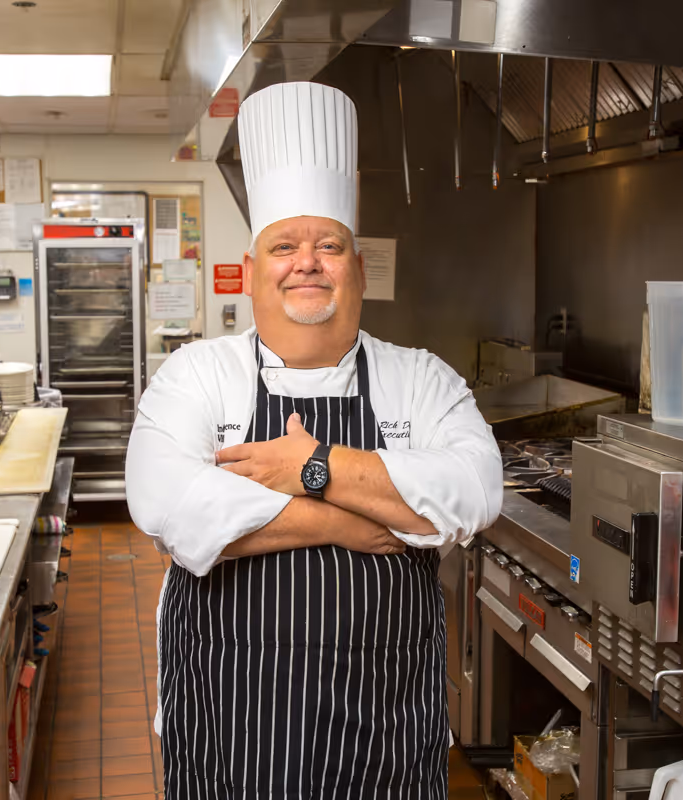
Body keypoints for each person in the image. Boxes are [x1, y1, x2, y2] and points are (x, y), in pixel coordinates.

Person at [126, 82, 503, 799]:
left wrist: (314, 464)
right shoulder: (198, 376)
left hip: (386, 738)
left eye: (330, 246)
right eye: (285, 246)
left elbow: (475, 490)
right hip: (232, 736)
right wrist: (347, 515)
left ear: (358, 269)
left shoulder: (419, 379)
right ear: (253, 269)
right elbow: (170, 507)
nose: (308, 262)